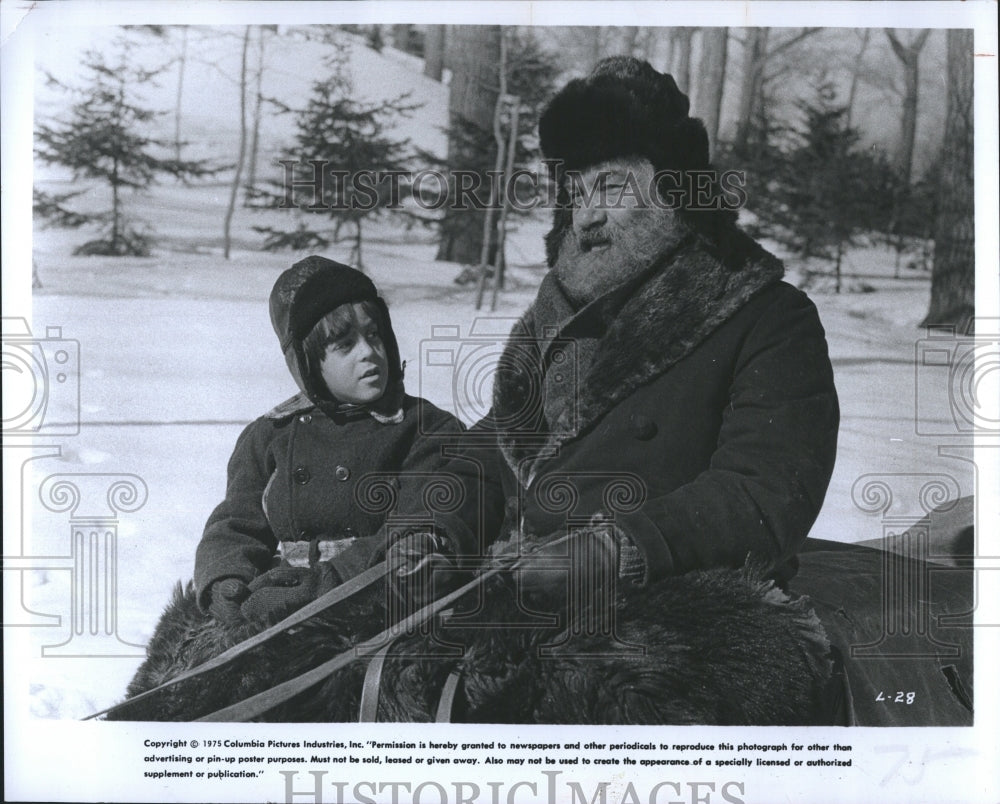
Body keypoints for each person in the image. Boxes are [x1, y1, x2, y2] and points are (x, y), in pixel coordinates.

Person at [391, 56, 840, 603]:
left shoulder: (767, 317)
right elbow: (493, 454)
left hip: (680, 600)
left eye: (609, 186)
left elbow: (766, 492)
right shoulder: (563, 316)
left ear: (674, 190)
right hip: (523, 587)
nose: (586, 216)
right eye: (577, 193)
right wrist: (432, 531)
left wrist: (613, 551)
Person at [194, 255, 464, 626]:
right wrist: (225, 580)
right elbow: (236, 523)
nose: (368, 352)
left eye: (374, 334)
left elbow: (415, 529)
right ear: (307, 364)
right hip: (280, 599)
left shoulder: (427, 429)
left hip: (386, 604)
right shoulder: (270, 436)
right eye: (345, 344)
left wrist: (325, 585)